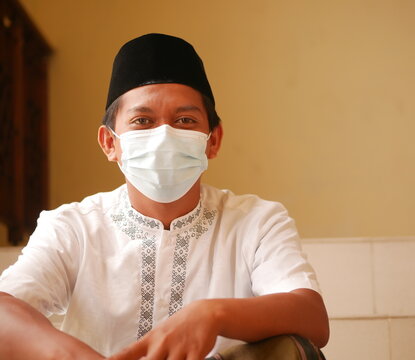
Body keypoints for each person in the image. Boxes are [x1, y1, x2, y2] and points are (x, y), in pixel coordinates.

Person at [0, 33, 329, 360]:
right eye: (142, 121)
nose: (164, 135)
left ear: (213, 140)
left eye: (185, 120)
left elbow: (311, 317)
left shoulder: (256, 221)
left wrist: (211, 315)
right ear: (110, 143)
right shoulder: (73, 227)